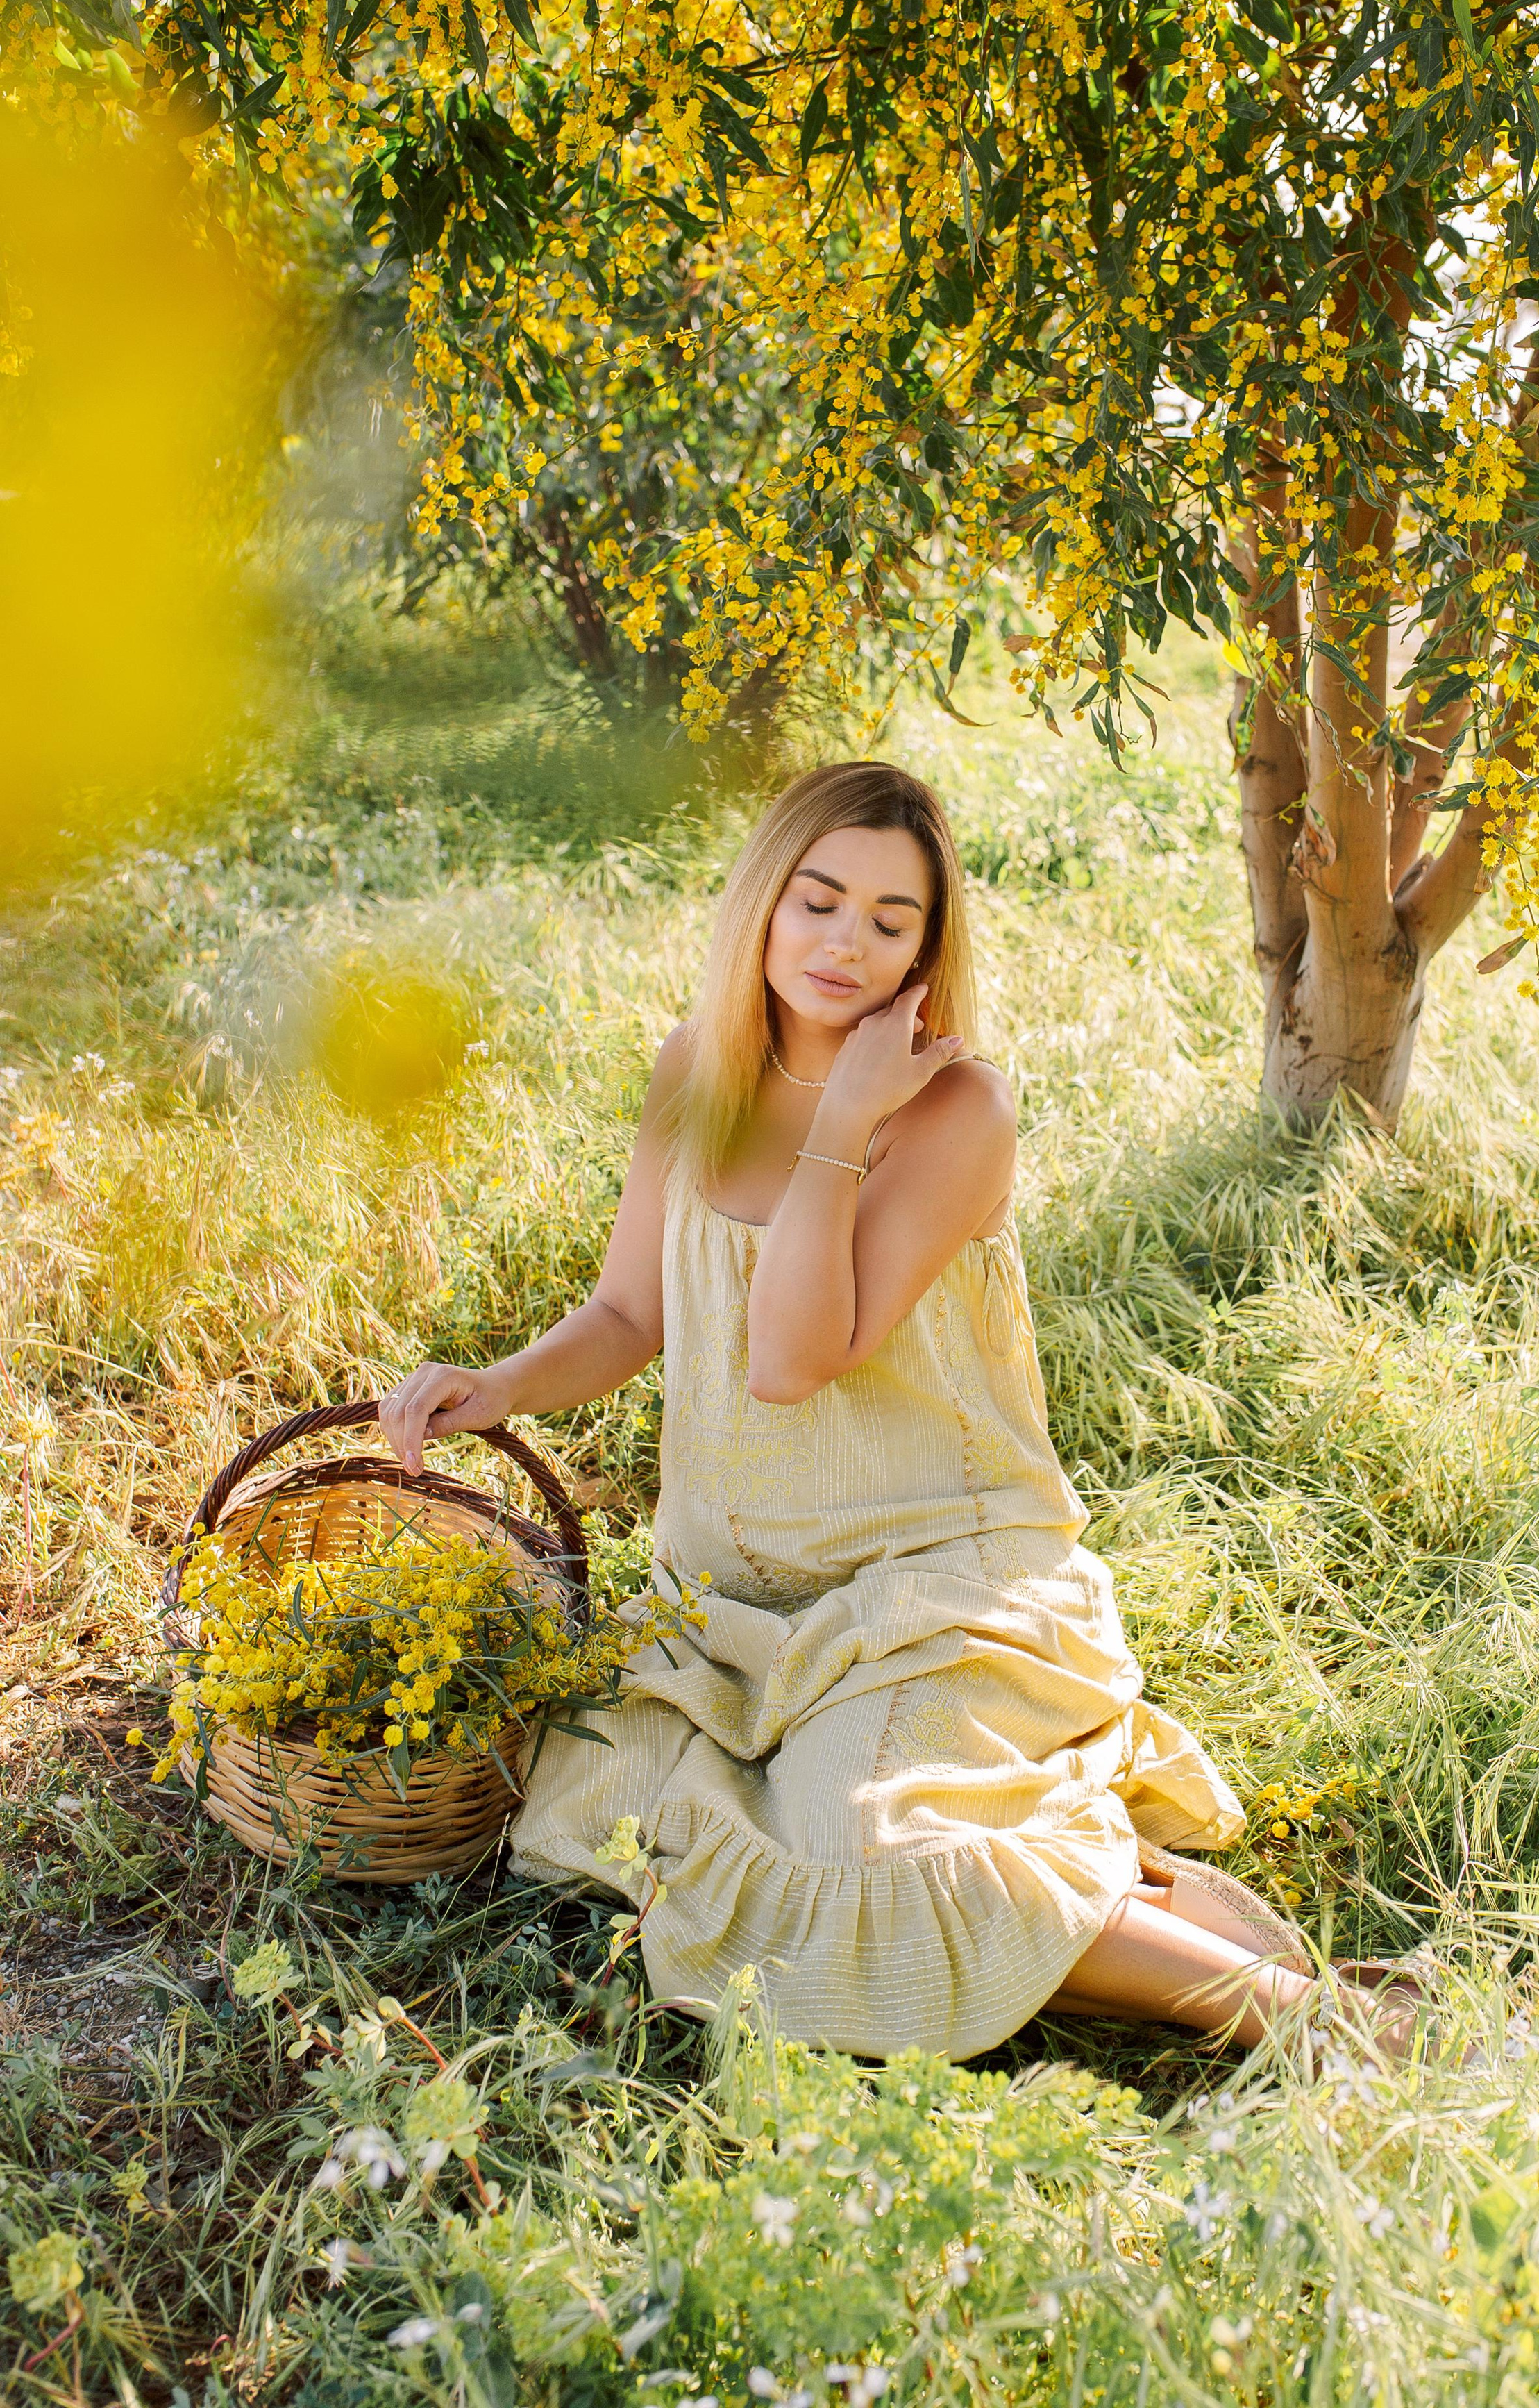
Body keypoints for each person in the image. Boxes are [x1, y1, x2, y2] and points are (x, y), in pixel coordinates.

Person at [379, 762, 1375, 2062]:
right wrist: (500, 1384)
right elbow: (634, 1312)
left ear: (927, 947)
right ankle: (1087, 1886)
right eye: (820, 902)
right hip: (733, 1602)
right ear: (764, 908)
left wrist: (847, 1116)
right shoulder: (697, 1071)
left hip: (931, 1580)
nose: (847, 945)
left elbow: (794, 1359)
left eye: (890, 922)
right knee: (598, 1805)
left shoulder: (958, 1110)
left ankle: (1317, 2023)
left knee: (858, 1858)